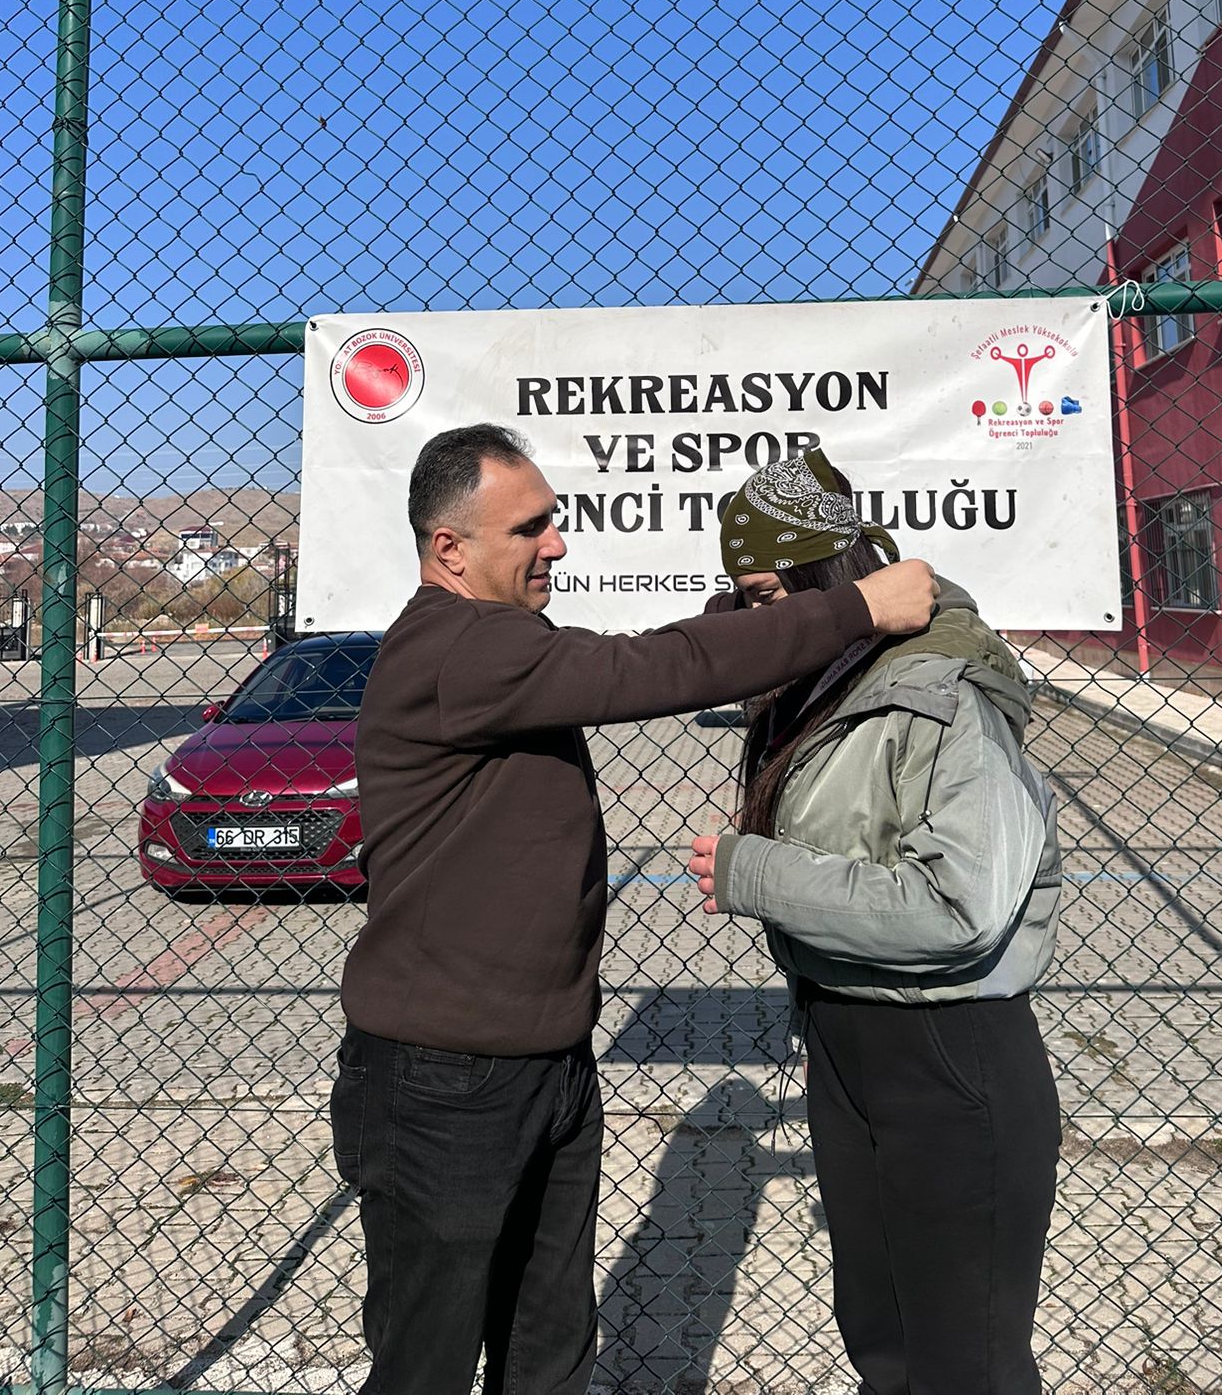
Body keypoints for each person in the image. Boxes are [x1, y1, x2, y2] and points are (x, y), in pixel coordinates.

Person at [330, 422, 942, 1395]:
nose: (557, 543)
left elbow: (689, 646)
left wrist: (773, 601)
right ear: (450, 548)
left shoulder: (502, 647)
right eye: (529, 528)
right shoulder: (457, 650)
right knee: (426, 1365)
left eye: (554, 519)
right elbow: (656, 667)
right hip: (442, 1083)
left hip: (545, 1064)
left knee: (550, 1348)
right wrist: (856, 606)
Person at [687, 447, 1062, 1395]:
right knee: (883, 1344)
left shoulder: (946, 695)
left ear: (829, 579)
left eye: (770, 597)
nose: (766, 622)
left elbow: (959, 909)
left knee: (965, 1365)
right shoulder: (831, 684)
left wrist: (754, 871)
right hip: (845, 1038)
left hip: (948, 1053)